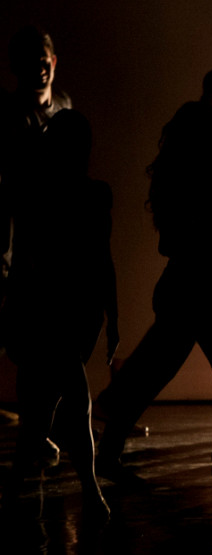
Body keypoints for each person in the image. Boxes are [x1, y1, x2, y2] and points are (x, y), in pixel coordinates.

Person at [95, 96, 212, 490]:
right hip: (209, 286)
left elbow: (170, 243)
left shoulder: (174, 180)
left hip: (179, 284)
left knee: (152, 377)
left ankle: (108, 455)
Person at [0, 109, 116, 522]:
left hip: (64, 314)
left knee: (42, 409)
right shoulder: (66, 196)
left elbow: (101, 260)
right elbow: (98, 260)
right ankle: (89, 491)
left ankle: (19, 487)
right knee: (69, 401)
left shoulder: (60, 195)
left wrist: (111, 317)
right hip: (56, 315)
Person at [0, 25, 75, 463]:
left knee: (46, 347)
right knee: (25, 345)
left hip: (55, 248)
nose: (41, 67)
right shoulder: (9, 117)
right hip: (18, 247)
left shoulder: (64, 106)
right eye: (32, 60)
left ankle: (42, 429)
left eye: (45, 58)